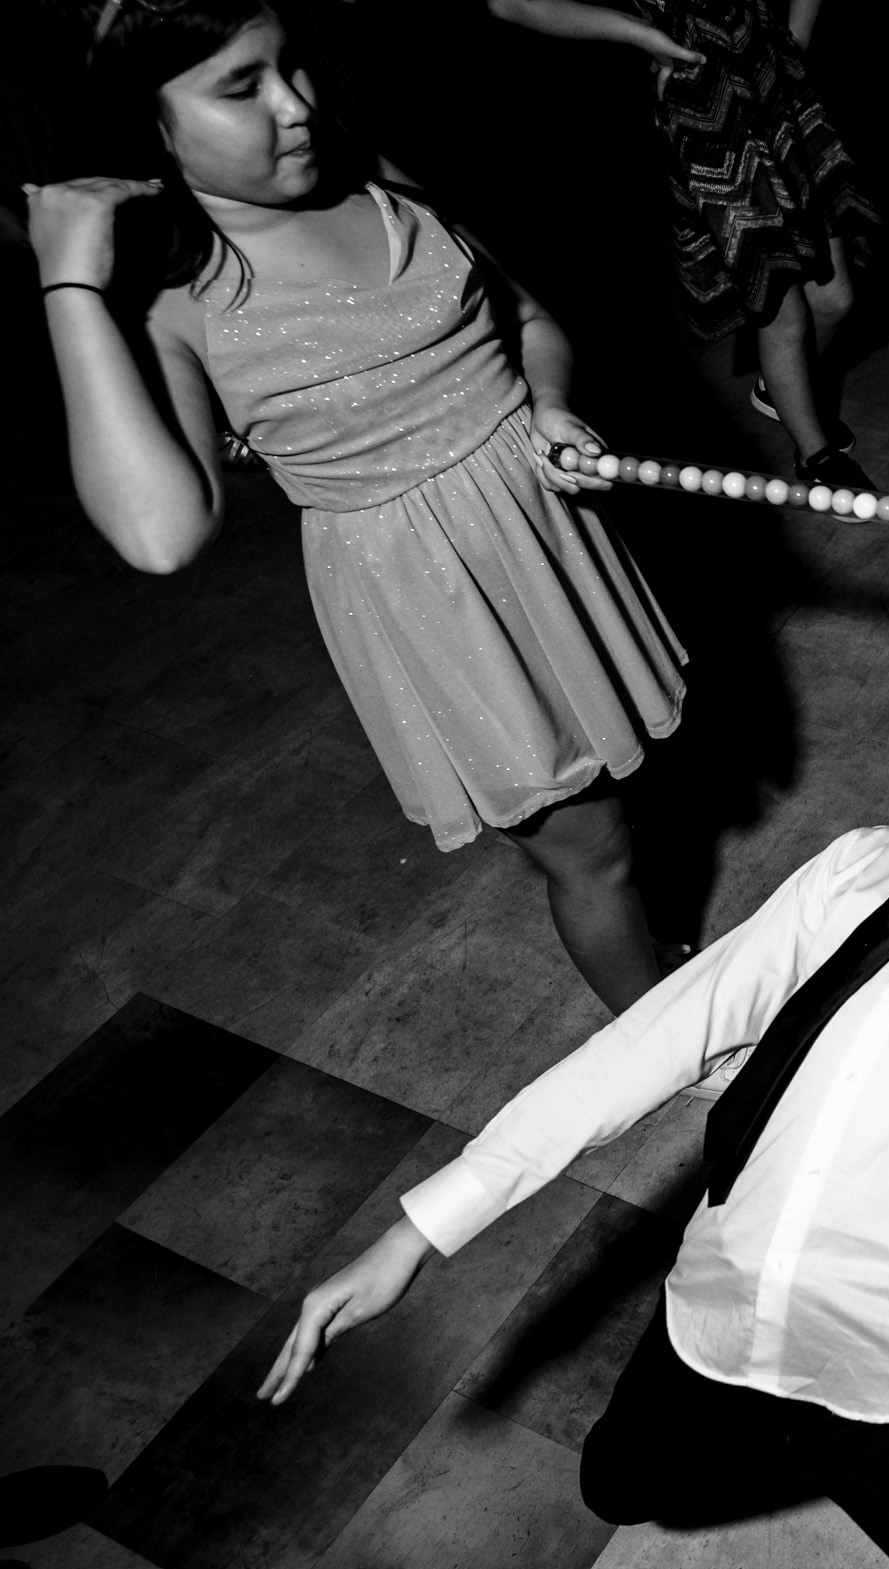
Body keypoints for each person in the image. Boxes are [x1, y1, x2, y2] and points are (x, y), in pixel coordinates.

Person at [260, 570, 889, 1569]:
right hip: (720, 1318)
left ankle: (860, 1467)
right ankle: (778, 1446)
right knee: (617, 1486)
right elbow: (659, 1036)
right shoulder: (862, 865)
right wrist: (420, 1230)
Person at [28, 0, 685, 1014]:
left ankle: (651, 955)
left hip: (548, 533)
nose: (297, 105)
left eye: (290, 67)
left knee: (624, 820)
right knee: (590, 851)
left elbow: (525, 315)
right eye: (241, 88)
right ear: (150, 129)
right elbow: (159, 536)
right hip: (435, 596)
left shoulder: (372, 172)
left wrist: (550, 403)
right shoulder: (174, 302)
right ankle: (672, 1043)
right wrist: (69, 282)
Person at [486, 0, 880, 493]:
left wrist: (794, 36)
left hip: (776, 79)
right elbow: (511, 3)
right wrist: (641, 34)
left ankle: (779, 389)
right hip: (704, 102)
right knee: (781, 298)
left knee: (836, 299)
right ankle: (814, 453)